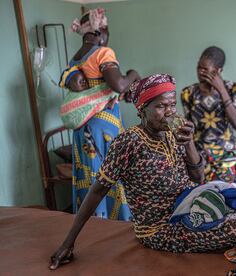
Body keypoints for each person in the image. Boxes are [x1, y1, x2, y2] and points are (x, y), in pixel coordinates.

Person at [49, 74, 236, 270]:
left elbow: (198, 178)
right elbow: (96, 192)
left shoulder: (172, 135)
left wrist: (189, 145)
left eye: (172, 105)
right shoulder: (129, 143)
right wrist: (68, 243)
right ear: (142, 109)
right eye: (161, 106)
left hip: (191, 208)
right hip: (162, 229)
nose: (169, 112)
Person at [69, 8, 140, 220]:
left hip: (84, 128)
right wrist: (133, 74)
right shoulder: (103, 53)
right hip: (104, 128)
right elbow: (118, 84)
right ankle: (118, 228)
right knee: (111, 177)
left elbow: (101, 88)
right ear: (101, 30)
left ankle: (92, 228)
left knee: (91, 179)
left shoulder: (76, 59)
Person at [181, 46, 236, 184]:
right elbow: (189, 128)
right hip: (200, 153)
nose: (200, 72)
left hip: (226, 153)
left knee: (226, 188)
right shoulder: (188, 93)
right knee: (199, 189)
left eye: (205, 69)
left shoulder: (234, 89)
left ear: (218, 70)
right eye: (198, 67)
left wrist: (221, 89)